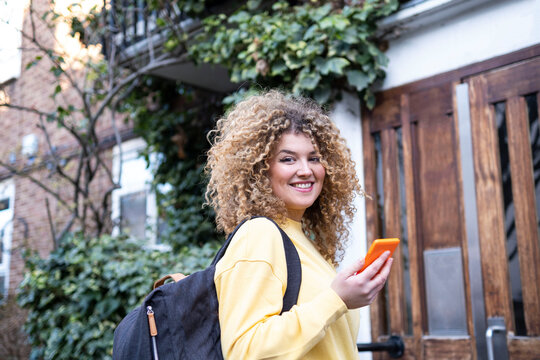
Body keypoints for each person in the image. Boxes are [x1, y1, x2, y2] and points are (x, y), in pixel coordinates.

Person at [204, 90, 393, 359]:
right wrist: (336, 299)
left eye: (314, 158)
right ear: (259, 169)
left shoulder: (302, 241)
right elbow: (244, 350)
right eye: (288, 159)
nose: (306, 170)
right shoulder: (259, 235)